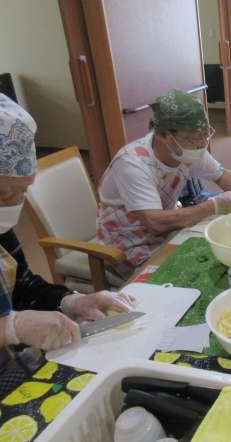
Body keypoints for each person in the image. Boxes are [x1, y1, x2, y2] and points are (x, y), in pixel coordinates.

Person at [0, 94, 133, 390]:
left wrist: (71, 301)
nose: (15, 204)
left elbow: (24, 287)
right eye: (4, 194)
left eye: (23, 190)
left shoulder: (1, 225)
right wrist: (10, 327)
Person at [96, 89, 231, 277]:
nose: (202, 144)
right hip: (129, 244)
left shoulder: (188, 149)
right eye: (194, 138)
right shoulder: (133, 164)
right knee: (198, 272)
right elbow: (154, 223)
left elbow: (223, 176)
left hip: (168, 231)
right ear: (164, 136)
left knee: (223, 249)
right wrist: (214, 205)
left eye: (205, 134)